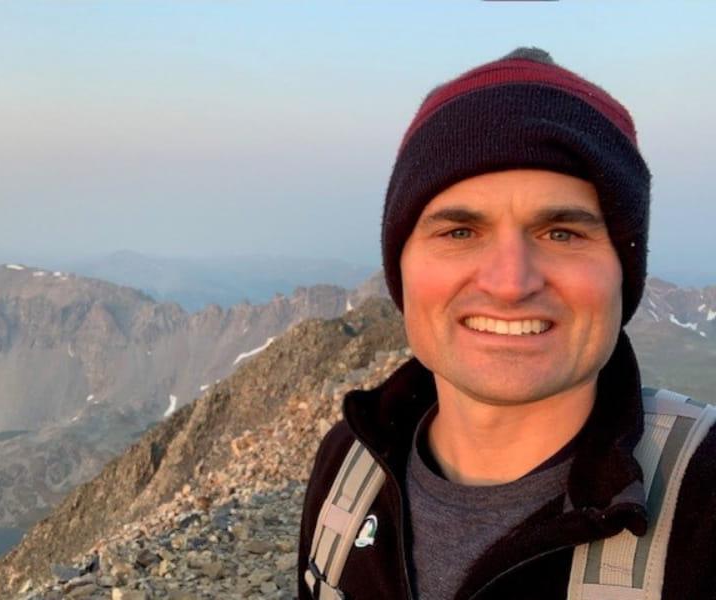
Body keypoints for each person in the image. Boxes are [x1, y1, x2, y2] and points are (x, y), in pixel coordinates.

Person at [297, 47, 716, 600]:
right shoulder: (348, 467)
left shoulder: (705, 502)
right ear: (400, 267)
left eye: (562, 233)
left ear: (624, 270)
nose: (511, 282)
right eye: (460, 233)